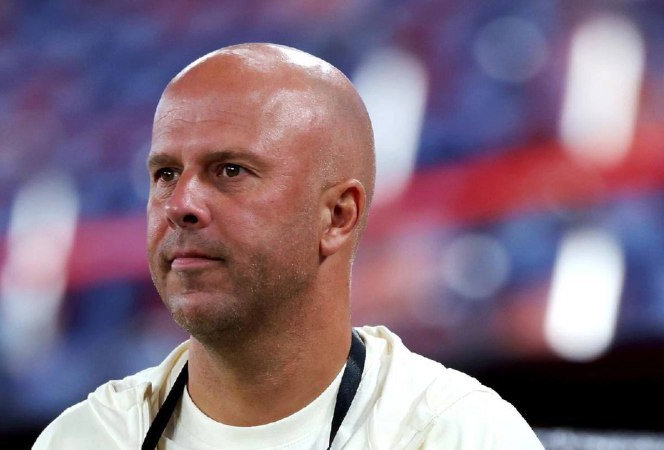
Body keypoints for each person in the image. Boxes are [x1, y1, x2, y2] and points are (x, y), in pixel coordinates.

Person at [34, 43, 543, 449]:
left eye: (230, 171)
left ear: (337, 216)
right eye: (166, 174)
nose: (181, 204)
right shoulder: (85, 439)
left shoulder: (454, 434)